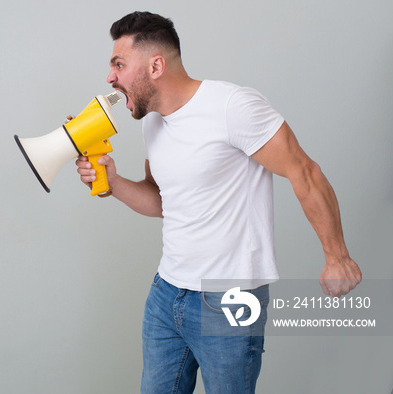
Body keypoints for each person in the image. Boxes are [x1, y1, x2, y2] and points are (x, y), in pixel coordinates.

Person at [74, 11, 362, 394]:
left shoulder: (232, 106)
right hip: (167, 294)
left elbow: (304, 172)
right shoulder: (153, 123)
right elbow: (163, 201)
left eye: (119, 64)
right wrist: (114, 184)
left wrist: (337, 256)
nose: (111, 78)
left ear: (156, 65)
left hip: (229, 301)